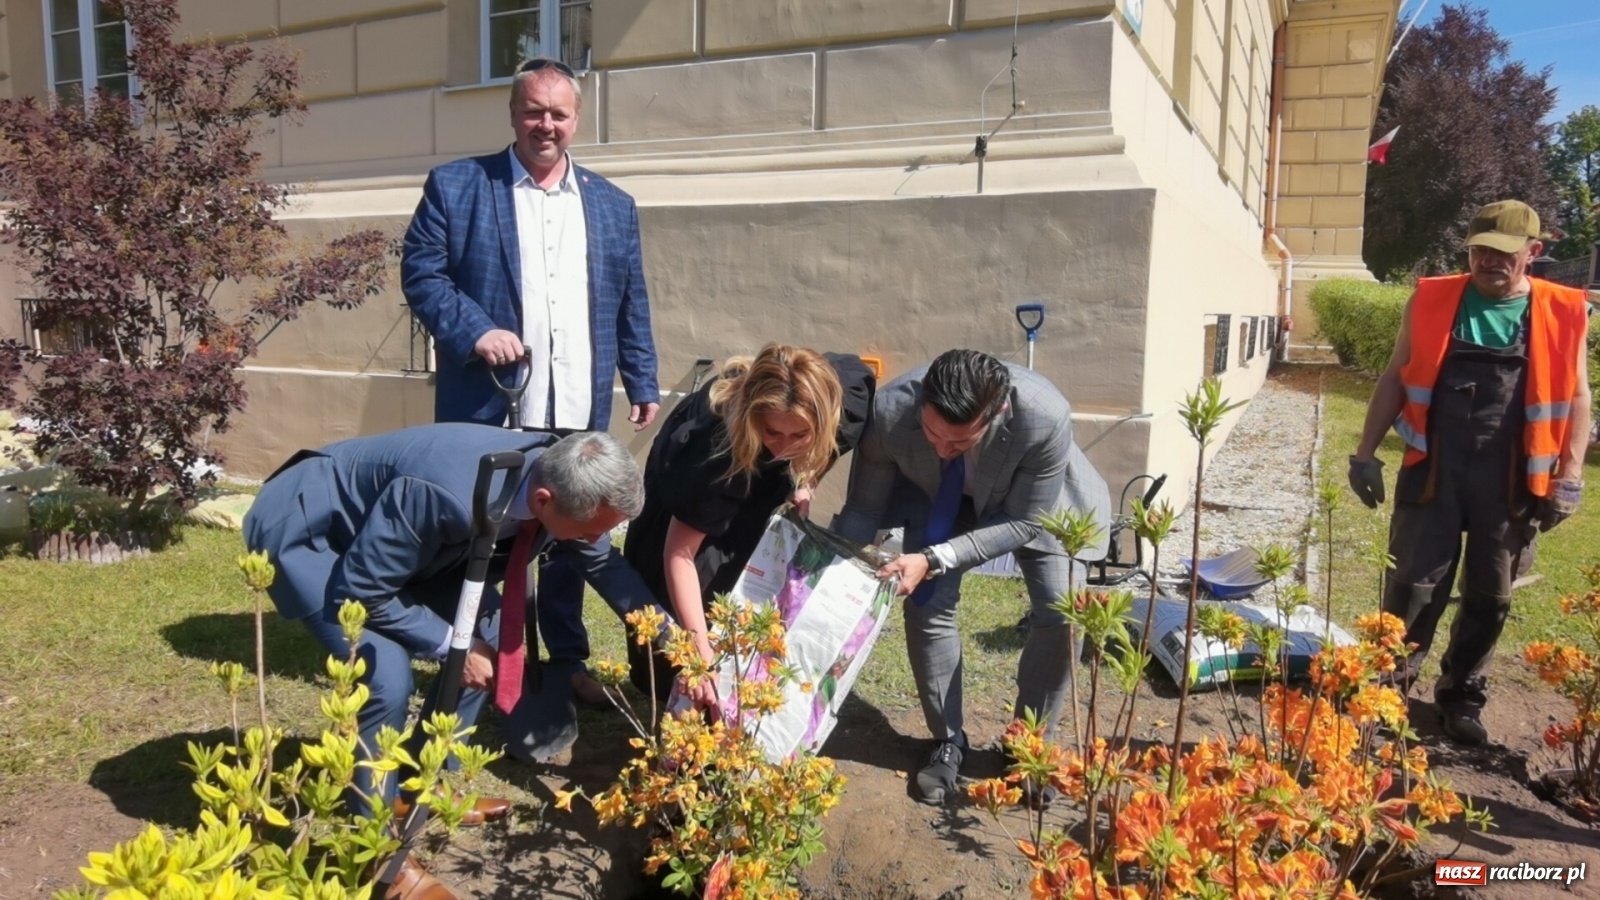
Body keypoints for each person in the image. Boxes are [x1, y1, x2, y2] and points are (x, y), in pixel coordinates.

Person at [242, 425, 649, 896]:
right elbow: (363, 589)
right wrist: (451, 645)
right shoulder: (448, 493)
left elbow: (606, 566)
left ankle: (423, 780)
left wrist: (675, 644)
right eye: (591, 530)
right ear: (542, 501)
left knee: (493, 628)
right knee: (386, 681)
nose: (595, 538)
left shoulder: (556, 480)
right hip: (317, 532)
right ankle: (380, 858)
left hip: (407, 545)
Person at [400, 56, 660, 710]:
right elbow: (423, 275)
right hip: (492, 406)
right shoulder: (458, 187)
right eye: (533, 111)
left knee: (573, 536)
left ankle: (566, 662)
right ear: (513, 114)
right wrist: (474, 329)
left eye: (559, 113)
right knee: (483, 540)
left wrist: (643, 376)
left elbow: (630, 300)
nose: (546, 124)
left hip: (578, 404)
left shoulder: (612, 204)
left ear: (577, 119)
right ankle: (480, 661)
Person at [1348, 199, 1590, 745]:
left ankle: (1461, 697)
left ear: (1534, 252)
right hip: (1434, 469)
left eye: (1505, 253)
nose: (1490, 261)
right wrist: (1364, 452)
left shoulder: (1564, 310)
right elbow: (1395, 376)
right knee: (1412, 585)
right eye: (1481, 250)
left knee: (1491, 592)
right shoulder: (1433, 298)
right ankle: (1387, 690)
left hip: (1511, 480)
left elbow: (1577, 397)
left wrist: (1569, 475)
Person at [831, 348, 1111, 805]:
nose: (941, 449)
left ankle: (1029, 748)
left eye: (957, 443)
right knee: (926, 605)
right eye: (931, 433)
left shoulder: (1043, 415)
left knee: (1064, 615)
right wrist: (834, 572)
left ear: (997, 412)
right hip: (930, 497)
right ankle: (948, 741)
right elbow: (865, 508)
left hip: (1034, 507)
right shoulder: (891, 410)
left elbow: (1024, 522)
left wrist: (937, 556)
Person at [623, 344, 875, 708]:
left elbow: (831, 435)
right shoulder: (714, 448)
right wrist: (700, 652)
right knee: (703, 604)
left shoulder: (844, 396)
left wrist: (806, 480)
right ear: (755, 416)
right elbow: (678, 553)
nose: (784, 447)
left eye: (800, 436)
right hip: (697, 491)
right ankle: (687, 702)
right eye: (774, 432)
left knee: (753, 590)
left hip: (755, 477)